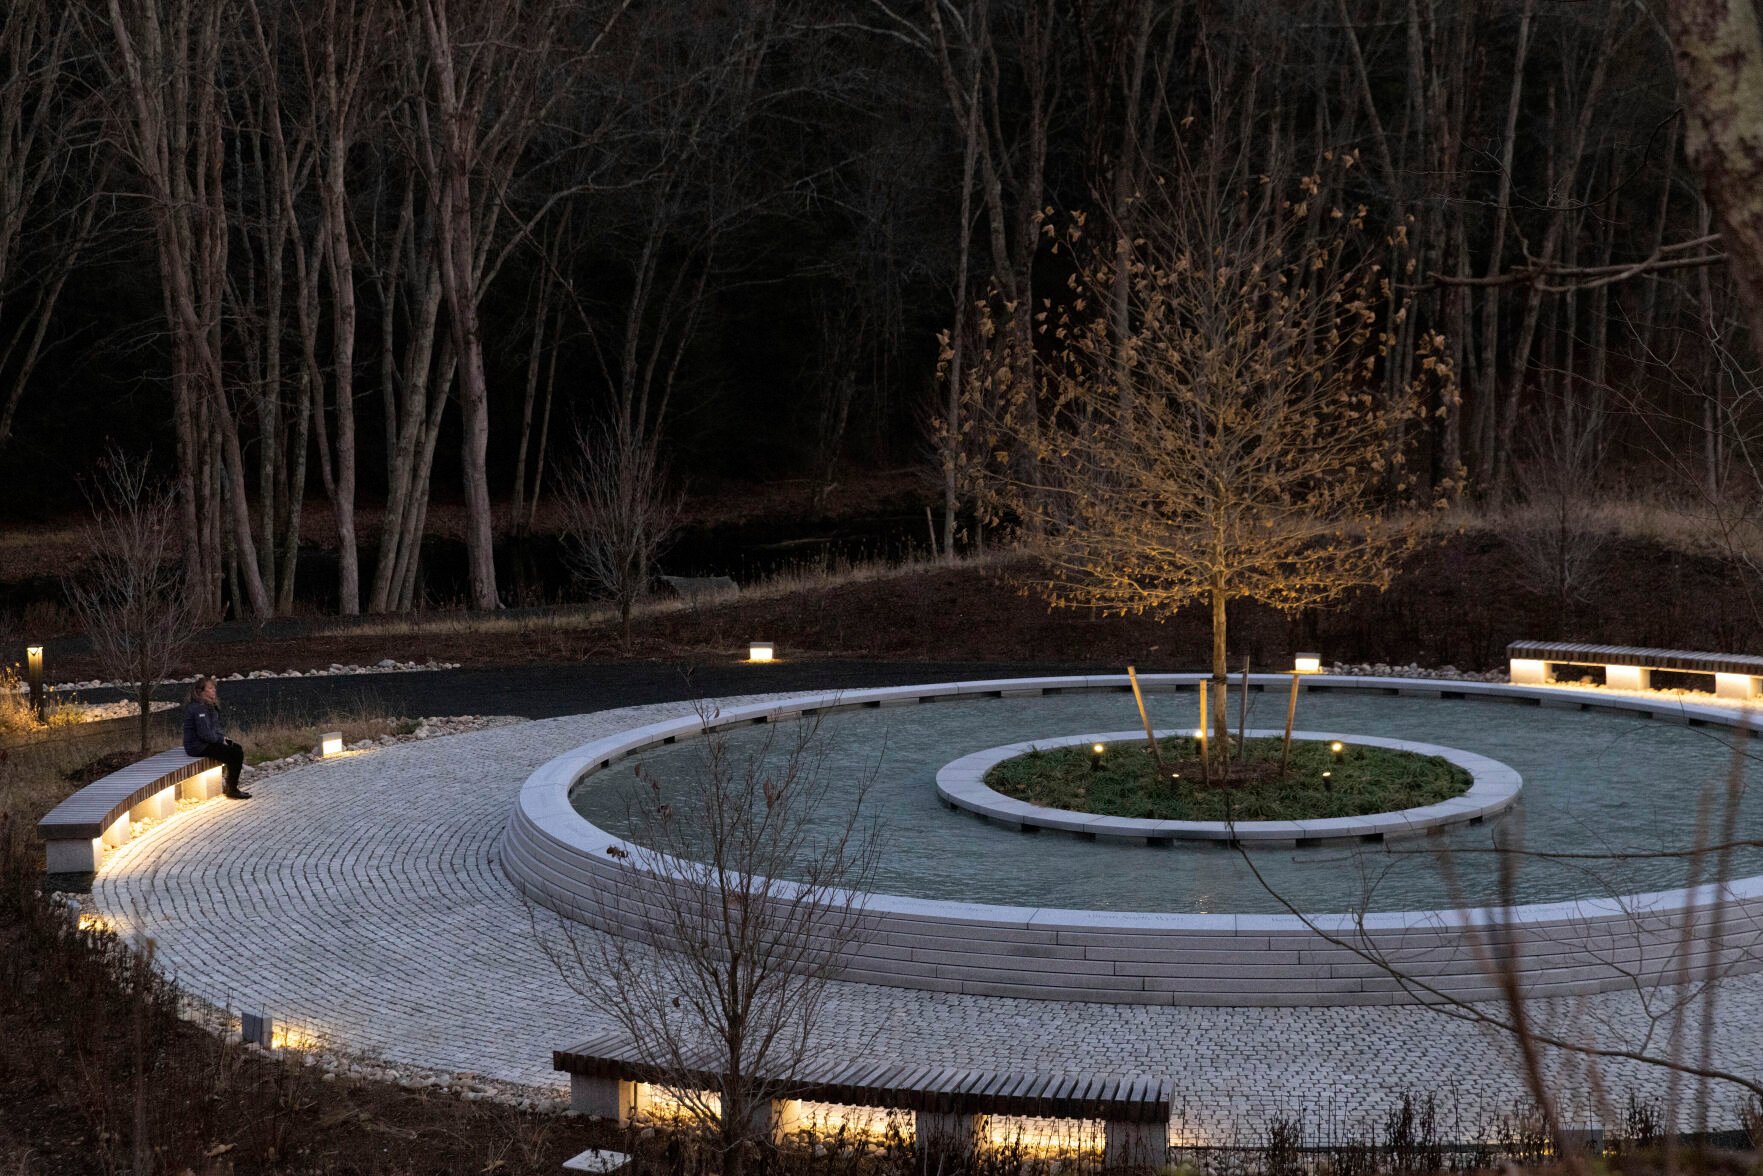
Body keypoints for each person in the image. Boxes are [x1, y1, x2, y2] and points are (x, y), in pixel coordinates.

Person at [183, 676, 250, 799]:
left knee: (236, 748)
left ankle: (230, 785)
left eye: (214, 687)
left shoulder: (209, 706)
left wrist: (224, 738)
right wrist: (220, 740)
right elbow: (205, 734)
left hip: (207, 742)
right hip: (197, 746)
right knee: (235, 754)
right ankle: (232, 789)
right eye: (210, 688)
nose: (214, 690)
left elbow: (214, 728)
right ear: (201, 691)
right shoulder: (198, 708)